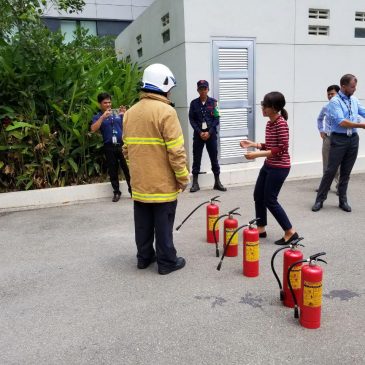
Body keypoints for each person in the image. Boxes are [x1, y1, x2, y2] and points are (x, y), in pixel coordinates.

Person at [122, 63, 190, 275]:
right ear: (163, 86)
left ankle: (144, 258)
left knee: (142, 223)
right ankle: (167, 262)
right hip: (162, 184)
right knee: (163, 224)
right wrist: (183, 178)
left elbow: (126, 150)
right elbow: (176, 151)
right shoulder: (166, 112)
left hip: (140, 182)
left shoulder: (130, 112)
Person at [239, 91, 298, 245]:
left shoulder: (281, 124)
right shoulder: (270, 123)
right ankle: (261, 228)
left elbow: (282, 149)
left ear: (273, 108)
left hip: (279, 168)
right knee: (258, 195)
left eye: (265, 105)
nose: (262, 107)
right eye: (262, 104)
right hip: (269, 165)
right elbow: (270, 146)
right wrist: (252, 144)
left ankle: (290, 231)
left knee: (270, 200)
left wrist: (256, 155)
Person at [312, 74, 365, 212]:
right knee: (330, 171)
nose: (354, 89)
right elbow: (341, 122)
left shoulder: (354, 100)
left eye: (355, 86)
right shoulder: (334, 102)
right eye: (352, 86)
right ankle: (320, 200)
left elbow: (363, 111)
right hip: (339, 139)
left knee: (346, 173)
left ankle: (343, 201)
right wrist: (361, 126)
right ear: (343, 86)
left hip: (353, 139)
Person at [91, 92, 131, 202]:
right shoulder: (98, 116)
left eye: (109, 102)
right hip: (109, 146)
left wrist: (125, 115)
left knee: (127, 169)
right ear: (100, 104)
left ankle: (133, 191)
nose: (108, 104)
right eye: (105, 103)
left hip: (122, 146)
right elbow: (93, 129)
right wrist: (103, 117)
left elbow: (127, 126)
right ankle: (116, 192)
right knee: (113, 171)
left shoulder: (117, 113)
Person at [189, 80, 226, 193]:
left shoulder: (214, 102)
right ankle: (195, 183)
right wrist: (200, 132)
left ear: (208, 89)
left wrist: (209, 132)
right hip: (198, 135)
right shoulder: (193, 103)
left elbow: (217, 119)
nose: (203, 91)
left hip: (211, 135)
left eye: (205, 88)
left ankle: (217, 182)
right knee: (196, 158)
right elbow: (192, 119)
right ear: (197, 90)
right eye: (201, 88)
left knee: (214, 158)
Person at [316, 84, 340, 194]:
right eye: (328, 94)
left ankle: (340, 186)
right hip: (328, 138)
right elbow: (319, 119)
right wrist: (321, 130)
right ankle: (325, 186)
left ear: (338, 94)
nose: (330, 96)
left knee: (338, 163)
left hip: (340, 139)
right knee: (326, 163)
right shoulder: (325, 107)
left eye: (332, 93)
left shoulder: (342, 107)